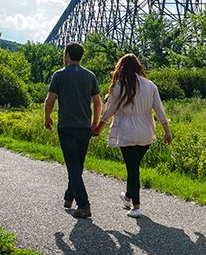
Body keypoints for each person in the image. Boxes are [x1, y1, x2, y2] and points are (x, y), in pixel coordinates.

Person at [92, 53, 172, 218]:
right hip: (146, 132)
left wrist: (99, 129)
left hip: (127, 132)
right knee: (134, 166)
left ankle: (136, 207)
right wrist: (167, 130)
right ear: (138, 67)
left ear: (121, 68)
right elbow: (159, 109)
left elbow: (108, 112)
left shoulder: (119, 87)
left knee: (132, 168)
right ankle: (128, 197)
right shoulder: (150, 86)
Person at [45, 43, 102, 219]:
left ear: (67, 55)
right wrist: (95, 122)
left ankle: (84, 205)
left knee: (73, 167)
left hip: (67, 127)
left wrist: (47, 117)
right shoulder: (90, 75)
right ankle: (69, 197)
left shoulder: (59, 75)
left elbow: (50, 99)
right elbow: (98, 102)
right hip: (85, 127)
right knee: (77, 166)